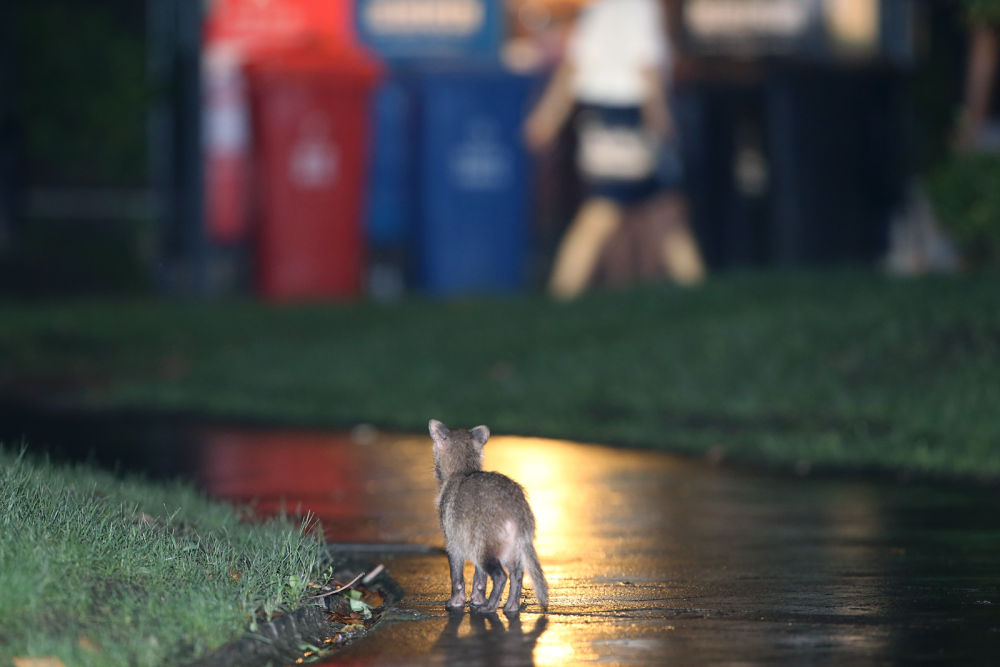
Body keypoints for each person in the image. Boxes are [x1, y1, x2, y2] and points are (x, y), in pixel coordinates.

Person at [524, 0, 704, 299]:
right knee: (606, 209)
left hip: (599, 117)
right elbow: (646, 67)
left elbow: (572, 67)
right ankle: (562, 292)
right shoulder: (639, 9)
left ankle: (697, 287)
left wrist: (548, 117)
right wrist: (660, 119)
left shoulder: (598, 11)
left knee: (661, 208)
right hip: (630, 118)